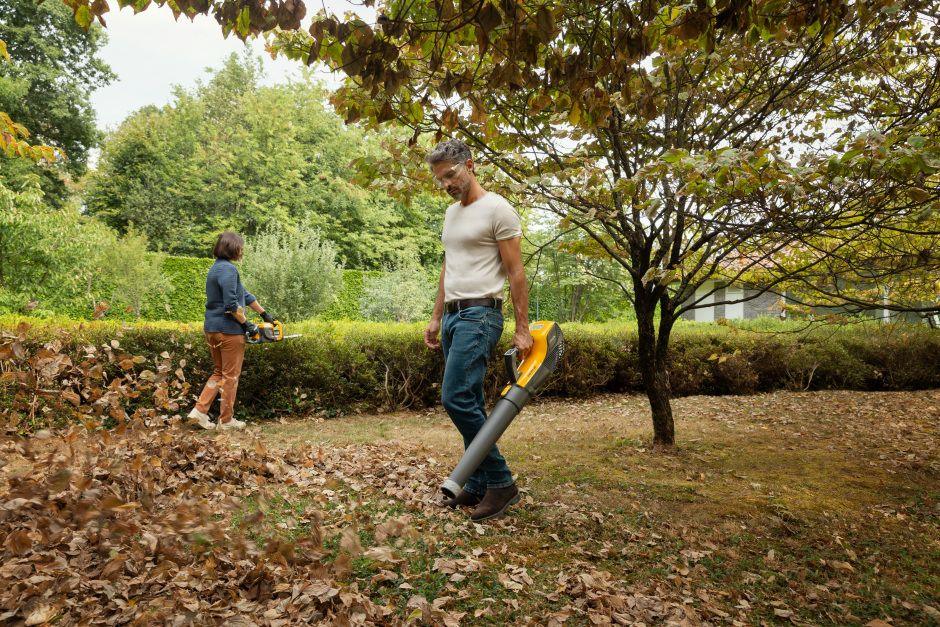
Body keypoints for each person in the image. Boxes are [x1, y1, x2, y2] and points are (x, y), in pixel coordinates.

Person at [423, 139, 534, 522]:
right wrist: (436, 316)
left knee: (454, 398)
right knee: (467, 400)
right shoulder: (451, 215)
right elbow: (448, 267)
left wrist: (523, 328)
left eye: (451, 175)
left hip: (481, 314)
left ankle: (500, 483)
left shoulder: (498, 209)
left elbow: (516, 272)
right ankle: (478, 480)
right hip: (454, 316)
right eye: (440, 180)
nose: (447, 185)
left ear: (471, 165)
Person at [187, 231, 277, 431]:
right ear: (232, 247)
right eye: (240, 247)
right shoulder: (229, 270)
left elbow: (244, 294)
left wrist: (264, 314)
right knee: (231, 376)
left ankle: (199, 412)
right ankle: (226, 421)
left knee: (219, 372)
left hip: (212, 328)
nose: (242, 250)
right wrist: (247, 325)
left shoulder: (216, 269)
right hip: (228, 330)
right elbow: (231, 305)